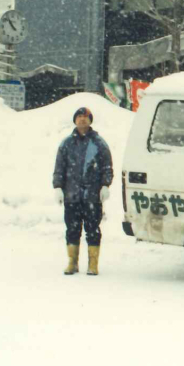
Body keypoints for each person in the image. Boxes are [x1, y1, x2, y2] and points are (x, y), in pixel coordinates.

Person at [53, 107, 113, 276]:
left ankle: (93, 264)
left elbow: (107, 167)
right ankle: (72, 262)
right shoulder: (66, 144)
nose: (82, 120)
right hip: (72, 195)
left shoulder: (99, 143)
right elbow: (59, 168)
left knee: (92, 229)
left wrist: (105, 185)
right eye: (79, 117)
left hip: (92, 196)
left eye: (85, 117)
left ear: (90, 120)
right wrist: (58, 187)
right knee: (72, 229)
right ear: (74, 120)